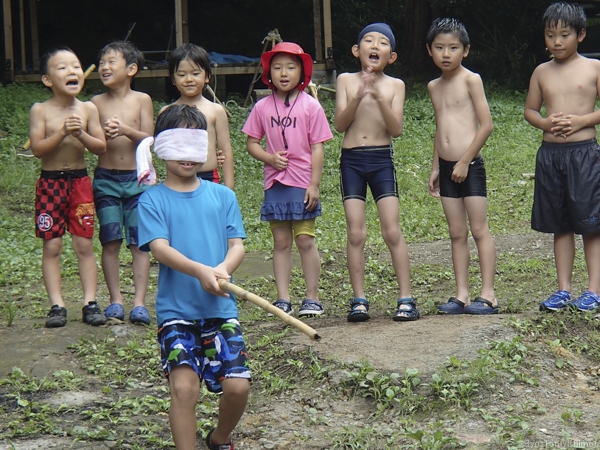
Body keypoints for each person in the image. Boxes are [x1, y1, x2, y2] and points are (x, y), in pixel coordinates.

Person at [136, 104, 249, 450]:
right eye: (179, 144)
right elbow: (159, 248)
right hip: (176, 313)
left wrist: (224, 267)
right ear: (162, 147)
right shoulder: (152, 200)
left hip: (221, 310)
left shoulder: (223, 196)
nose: (188, 156)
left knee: (238, 387)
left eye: (194, 143)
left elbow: (237, 245)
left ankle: (218, 438)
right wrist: (199, 269)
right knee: (184, 388)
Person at [334, 23, 417, 322]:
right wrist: (358, 95)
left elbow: (396, 129)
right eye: (368, 41)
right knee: (356, 232)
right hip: (352, 160)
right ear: (357, 51)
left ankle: (406, 298)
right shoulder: (345, 80)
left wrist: (379, 96)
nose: (374, 46)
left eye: (382, 43)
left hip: (382, 159)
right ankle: (359, 300)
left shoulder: (396, 86)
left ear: (390, 56)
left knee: (391, 230)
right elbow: (340, 125)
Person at [242, 42, 333, 316]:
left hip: (303, 185)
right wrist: (269, 158)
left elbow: (318, 147)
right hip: (275, 185)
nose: (284, 73)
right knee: (280, 242)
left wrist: (314, 185)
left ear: (302, 72)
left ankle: (312, 298)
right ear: (269, 73)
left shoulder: (311, 106)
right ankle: (282, 299)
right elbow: (251, 143)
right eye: (277, 67)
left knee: (305, 240)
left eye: (291, 67)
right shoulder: (261, 106)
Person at [525, 2, 600, 313]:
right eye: (550, 35)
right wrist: (544, 123)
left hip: (584, 155)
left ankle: (594, 290)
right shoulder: (541, 71)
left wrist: (582, 120)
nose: (556, 42)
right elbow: (530, 110)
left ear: (580, 35)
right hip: (551, 155)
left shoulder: (594, 68)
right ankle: (563, 289)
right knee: (561, 223)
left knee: (591, 224)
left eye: (564, 35)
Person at [29, 47, 107, 328]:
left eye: (75, 65)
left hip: (80, 182)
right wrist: (61, 132)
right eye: (62, 67)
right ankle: (57, 305)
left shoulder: (88, 109)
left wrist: (81, 133)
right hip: (50, 184)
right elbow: (38, 149)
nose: (72, 71)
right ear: (48, 80)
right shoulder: (41, 110)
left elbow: (100, 147)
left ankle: (90, 302)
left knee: (84, 244)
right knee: (52, 245)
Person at [425, 18, 498, 315]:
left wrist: (466, 160)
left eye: (453, 48)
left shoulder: (471, 80)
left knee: (479, 229)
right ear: (429, 50)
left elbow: (487, 125)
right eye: (440, 47)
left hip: (470, 166)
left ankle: (489, 294)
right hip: (445, 167)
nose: (446, 54)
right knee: (457, 232)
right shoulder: (433, 86)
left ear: (465, 50)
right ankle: (461, 294)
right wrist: (435, 167)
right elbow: (440, 129)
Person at [91, 41, 154, 324]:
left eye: (111, 62)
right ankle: (116, 299)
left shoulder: (142, 100)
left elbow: (149, 139)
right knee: (111, 240)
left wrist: (126, 129)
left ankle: (139, 301)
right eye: (102, 62)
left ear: (131, 69)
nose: (104, 67)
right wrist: (101, 134)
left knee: (139, 243)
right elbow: (94, 146)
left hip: (137, 180)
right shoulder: (94, 104)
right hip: (105, 180)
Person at [160, 43, 234, 189]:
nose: (188, 79)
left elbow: (225, 150)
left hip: (209, 177)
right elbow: (163, 150)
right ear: (173, 79)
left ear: (207, 76)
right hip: (177, 180)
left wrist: (229, 186)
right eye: (181, 74)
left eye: (195, 73)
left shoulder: (216, 110)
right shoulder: (166, 111)